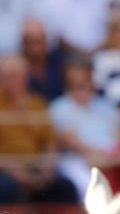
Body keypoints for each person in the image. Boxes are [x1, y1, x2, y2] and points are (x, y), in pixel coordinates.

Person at [0, 54, 77, 203]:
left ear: (26, 76)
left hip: (37, 167)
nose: (13, 80)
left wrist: (47, 169)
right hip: (7, 170)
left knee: (66, 188)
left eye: (17, 75)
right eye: (7, 76)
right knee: (6, 189)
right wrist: (19, 174)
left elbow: (50, 143)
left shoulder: (38, 104)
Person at [49, 54, 119, 197]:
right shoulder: (58, 108)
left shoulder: (106, 106)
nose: (79, 83)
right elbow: (71, 142)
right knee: (89, 187)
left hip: (110, 157)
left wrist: (111, 156)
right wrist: (100, 156)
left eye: (83, 79)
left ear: (91, 79)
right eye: (73, 80)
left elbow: (119, 135)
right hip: (76, 161)